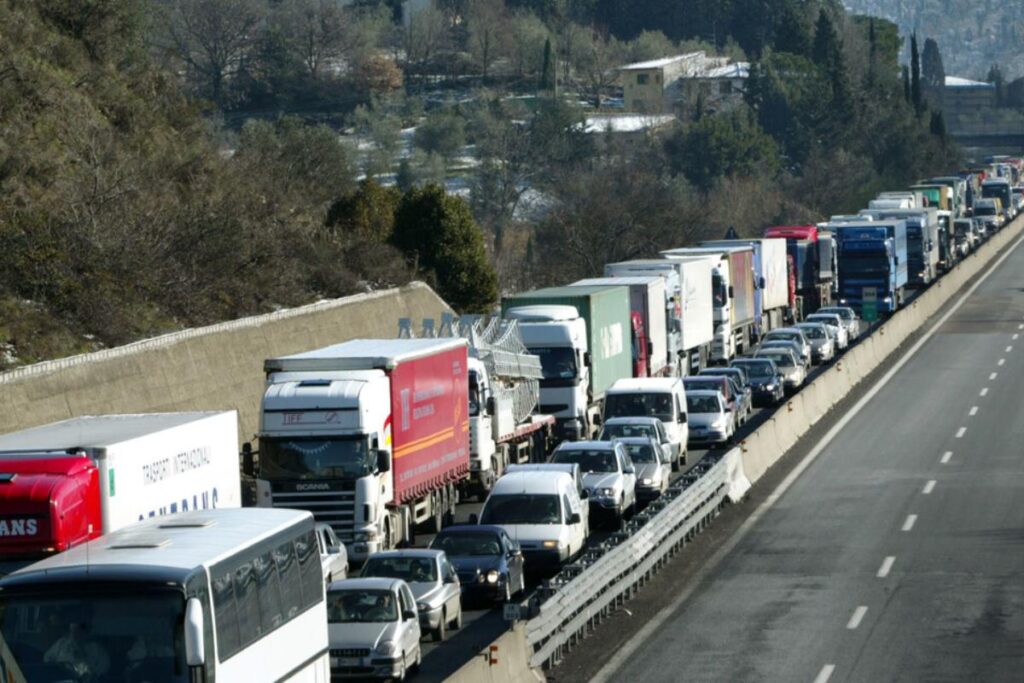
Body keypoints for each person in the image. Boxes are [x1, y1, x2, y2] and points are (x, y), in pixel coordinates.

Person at [43, 620, 110, 681]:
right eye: (73, 631)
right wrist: (60, 666)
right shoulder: (61, 644)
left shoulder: (96, 649)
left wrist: (91, 674)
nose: (75, 634)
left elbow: (104, 666)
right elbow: (47, 658)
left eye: (78, 631)